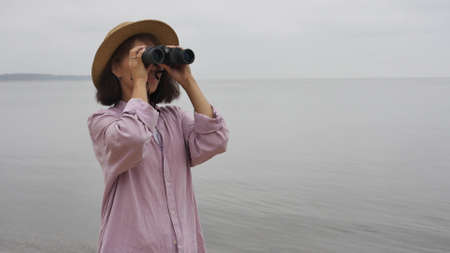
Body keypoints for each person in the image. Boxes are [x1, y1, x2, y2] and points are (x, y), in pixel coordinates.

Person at [87, 19, 230, 253]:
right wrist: (140, 81)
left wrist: (186, 79)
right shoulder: (104, 122)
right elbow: (131, 138)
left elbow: (216, 140)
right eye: (143, 56)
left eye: (156, 58)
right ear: (115, 67)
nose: (152, 66)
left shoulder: (174, 118)